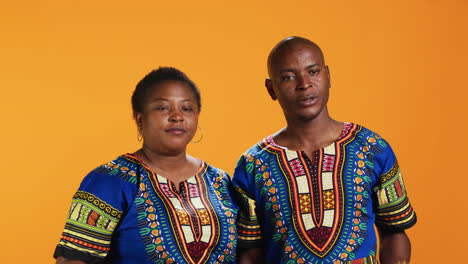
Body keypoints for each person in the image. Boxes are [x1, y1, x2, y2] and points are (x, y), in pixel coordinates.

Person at [232, 37, 417, 264]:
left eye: (313, 72)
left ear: (328, 75)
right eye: (288, 77)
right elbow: (250, 252)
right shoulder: (253, 165)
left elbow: (394, 231)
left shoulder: (372, 148)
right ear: (271, 88)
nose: (304, 84)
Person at [54, 67, 238, 264]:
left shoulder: (219, 181)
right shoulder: (110, 181)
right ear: (140, 119)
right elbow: (72, 261)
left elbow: (249, 254)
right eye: (162, 108)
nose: (177, 116)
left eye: (187, 108)